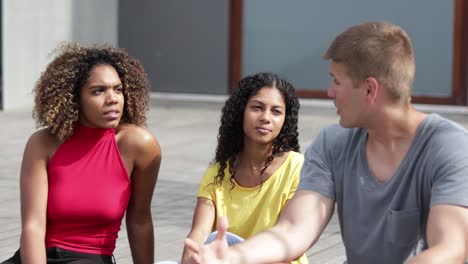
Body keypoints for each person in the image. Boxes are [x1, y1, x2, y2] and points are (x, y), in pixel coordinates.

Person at [185, 22, 468, 263]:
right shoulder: (332, 144)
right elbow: (294, 230)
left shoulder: (448, 146)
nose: (329, 92)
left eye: (336, 81)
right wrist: (234, 256)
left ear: (369, 89)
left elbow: (451, 247)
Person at [2, 43, 161, 264]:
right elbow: (33, 226)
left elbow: (140, 220)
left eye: (118, 89)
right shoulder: (43, 143)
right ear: (74, 98)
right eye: (99, 91)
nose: (113, 98)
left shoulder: (138, 145)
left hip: (90, 258)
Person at [179, 72, 307, 264]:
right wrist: (193, 256)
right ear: (241, 112)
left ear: (285, 120)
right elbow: (199, 233)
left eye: (276, 111)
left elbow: (289, 241)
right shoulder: (217, 173)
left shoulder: (297, 167)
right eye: (257, 108)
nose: (265, 118)